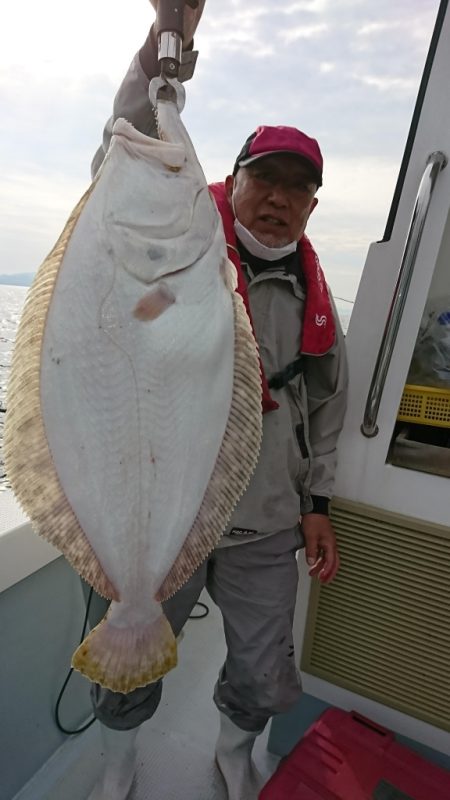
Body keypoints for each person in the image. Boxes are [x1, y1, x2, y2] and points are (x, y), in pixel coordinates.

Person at [88, 3, 348, 799]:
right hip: (160, 511)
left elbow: (325, 406)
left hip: (267, 519)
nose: (278, 198)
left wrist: (318, 501)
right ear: (231, 181)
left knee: (266, 669)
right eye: (264, 178)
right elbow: (124, 152)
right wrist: (166, 42)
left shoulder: (313, 294)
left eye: (297, 189)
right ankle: (121, 758)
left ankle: (235, 750)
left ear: (311, 207)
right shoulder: (177, 242)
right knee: (127, 651)